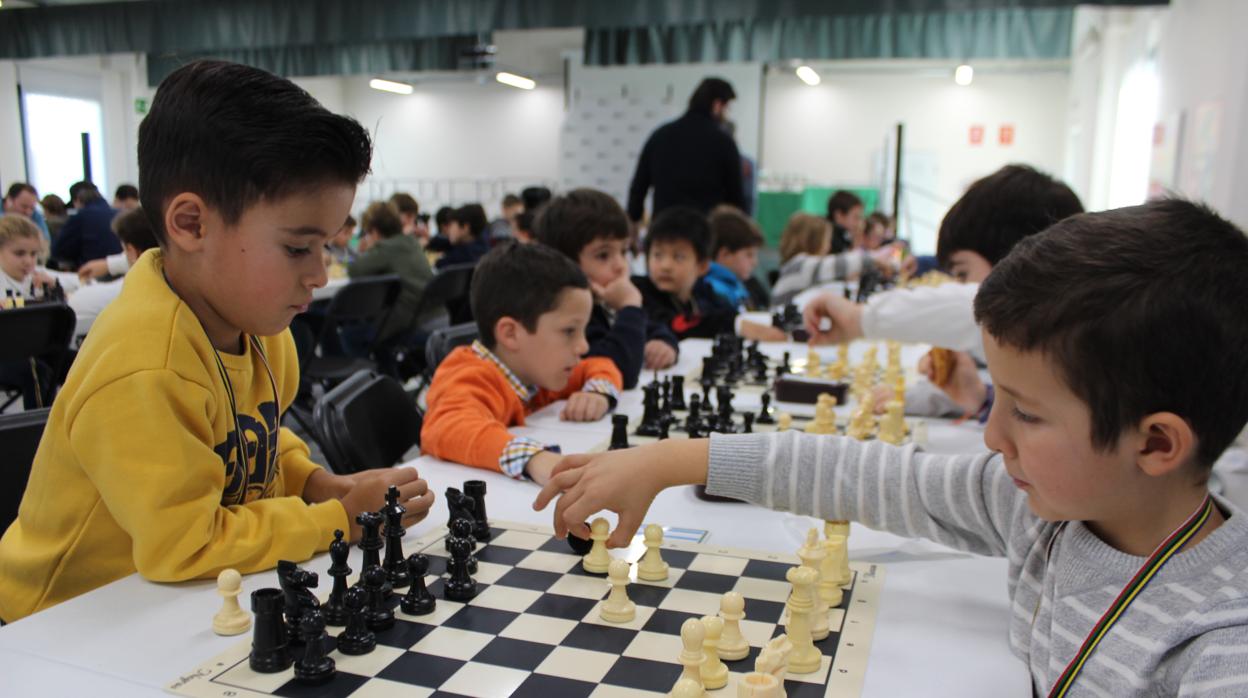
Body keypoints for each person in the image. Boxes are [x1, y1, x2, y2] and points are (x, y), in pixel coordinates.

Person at [536, 199, 1248, 697]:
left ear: (1155, 443)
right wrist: (666, 461)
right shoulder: (1042, 510)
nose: (991, 436)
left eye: (1025, 415)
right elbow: (857, 473)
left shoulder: (1222, 649)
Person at [0, 60, 435, 624]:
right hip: (59, 624)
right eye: (299, 248)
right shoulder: (145, 367)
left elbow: (257, 439)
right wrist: (339, 518)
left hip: (168, 602)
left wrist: (315, 482)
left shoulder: (259, 329)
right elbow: (185, 545)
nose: (320, 274)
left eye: (327, 245)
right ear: (191, 225)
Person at [801, 165, 1084, 380]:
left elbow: (987, 305)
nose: (959, 287)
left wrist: (857, 319)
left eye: (962, 275)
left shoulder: (1051, 325)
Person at [420, 241, 623, 485]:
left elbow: (599, 365)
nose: (583, 346)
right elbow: (447, 427)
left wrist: (598, 393)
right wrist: (534, 458)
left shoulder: (536, 370)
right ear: (510, 334)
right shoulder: (469, 374)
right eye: (570, 331)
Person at [533, 188, 679, 388]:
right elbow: (620, 371)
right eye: (603, 255)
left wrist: (664, 343)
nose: (620, 265)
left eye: (623, 251)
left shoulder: (605, 301)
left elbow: (655, 328)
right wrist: (630, 306)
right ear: (566, 263)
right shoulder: (568, 317)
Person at [634, 206, 784, 342]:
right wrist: (736, 324)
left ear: (702, 265)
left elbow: (721, 313)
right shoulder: (639, 293)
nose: (665, 266)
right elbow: (674, 324)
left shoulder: (702, 293)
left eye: (678, 257)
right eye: (657, 255)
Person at [626, 78, 745, 222]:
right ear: (717, 105)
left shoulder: (660, 135)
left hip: (664, 230)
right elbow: (736, 196)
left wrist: (633, 218)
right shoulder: (723, 142)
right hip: (705, 233)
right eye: (727, 109)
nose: (727, 114)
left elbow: (639, 187)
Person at [346, 201, 435, 346]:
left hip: (410, 323)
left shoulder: (385, 248)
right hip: (432, 314)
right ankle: (385, 365)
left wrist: (367, 250)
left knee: (350, 334)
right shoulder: (411, 241)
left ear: (374, 231)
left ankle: (368, 366)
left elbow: (355, 270)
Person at [68, 207, 159, 339]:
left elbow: (79, 301)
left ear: (130, 250)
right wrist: (107, 265)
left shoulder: (133, 290)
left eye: (124, 250)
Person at [770, 212, 894, 307]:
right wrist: (874, 260)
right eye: (826, 240)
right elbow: (840, 265)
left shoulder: (799, 265)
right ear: (814, 241)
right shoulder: (801, 265)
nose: (829, 246)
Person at [705, 205, 768, 310]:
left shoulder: (737, 287)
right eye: (749, 254)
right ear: (725, 254)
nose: (755, 262)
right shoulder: (713, 291)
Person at [50, 182, 121, 270]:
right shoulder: (120, 214)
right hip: (121, 272)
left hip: (91, 274)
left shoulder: (81, 217)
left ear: (77, 200)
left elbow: (58, 251)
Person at [435, 203, 490, 269]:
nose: (449, 230)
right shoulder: (486, 251)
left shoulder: (456, 258)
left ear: (465, 227)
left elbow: (438, 265)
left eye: (451, 225)